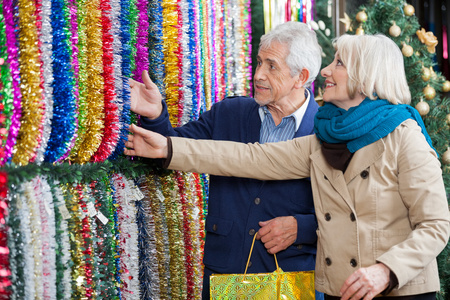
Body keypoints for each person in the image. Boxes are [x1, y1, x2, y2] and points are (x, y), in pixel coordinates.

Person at [125, 33, 450, 300]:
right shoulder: (326, 135)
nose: (326, 70)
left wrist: (385, 270)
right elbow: (250, 158)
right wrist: (168, 145)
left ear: (364, 76)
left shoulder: (404, 136)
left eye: (338, 63)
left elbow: (435, 225)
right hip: (337, 288)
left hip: (392, 289)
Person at [129, 21, 324, 299]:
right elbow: (170, 151)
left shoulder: (326, 131)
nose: (258, 75)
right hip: (226, 274)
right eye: (258, 62)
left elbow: (348, 216)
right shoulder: (229, 113)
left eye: (271, 66)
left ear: (301, 77)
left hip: (291, 278)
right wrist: (155, 115)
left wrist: (301, 228)